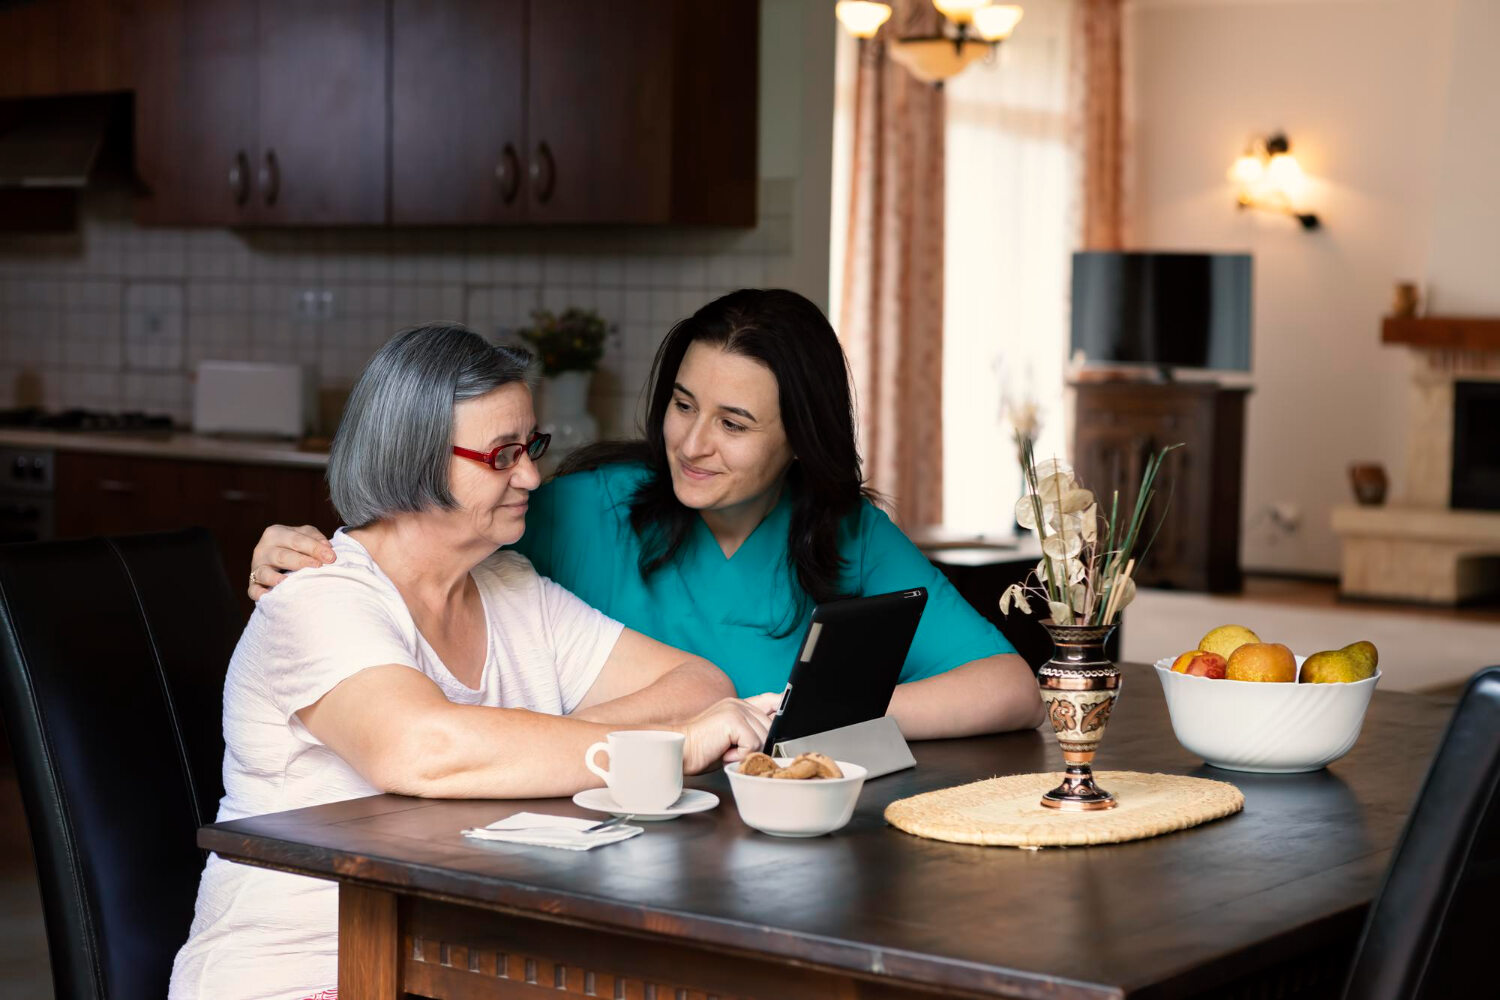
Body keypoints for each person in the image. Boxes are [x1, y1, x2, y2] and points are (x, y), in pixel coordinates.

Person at [172, 324, 774, 1000]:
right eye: (502, 455)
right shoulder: (316, 596)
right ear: (415, 457)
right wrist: (660, 745)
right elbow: (423, 749)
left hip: (463, 966)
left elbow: (700, 685)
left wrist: (536, 744)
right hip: (304, 974)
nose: (532, 475)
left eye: (532, 447)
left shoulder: (512, 590)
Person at [250, 290, 1044, 740]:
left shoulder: (845, 534)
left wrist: (805, 718)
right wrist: (314, 545)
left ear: (801, 440)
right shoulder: (583, 512)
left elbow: (1011, 688)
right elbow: (430, 531)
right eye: (683, 404)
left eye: (733, 424)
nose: (692, 444)